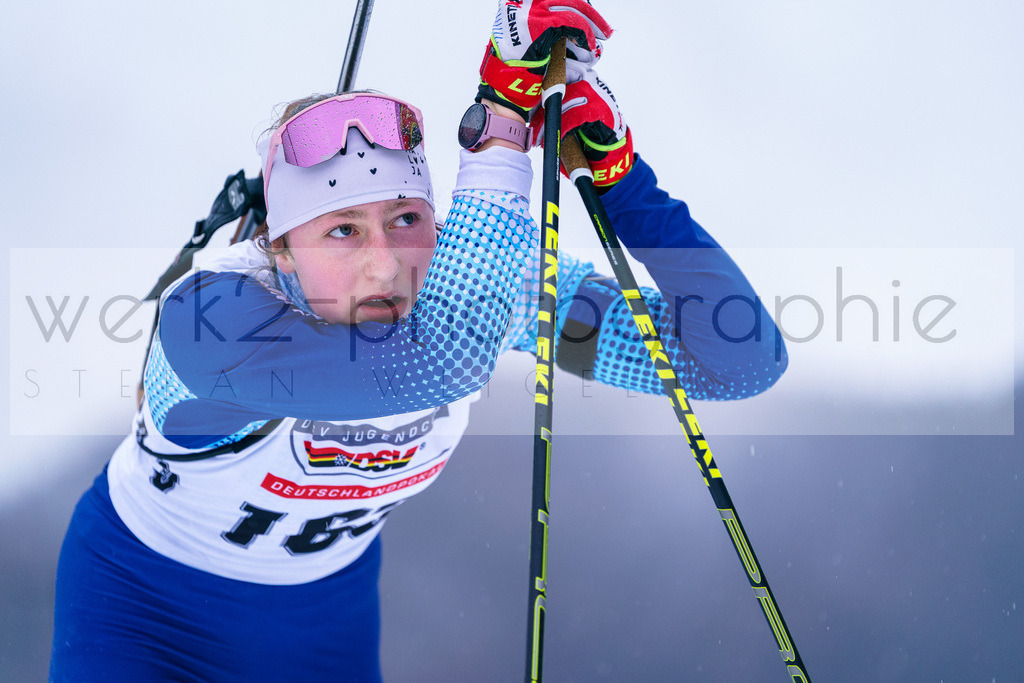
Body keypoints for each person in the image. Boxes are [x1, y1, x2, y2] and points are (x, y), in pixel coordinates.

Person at [50, 2, 787, 680]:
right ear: (280, 251)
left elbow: (739, 360)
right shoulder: (211, 318)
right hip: (143, 612)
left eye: (407, 218)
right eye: (341, 230)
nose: (385, 262)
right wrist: (499, 122)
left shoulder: (474, 281)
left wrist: (624, 181)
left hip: (323, 626)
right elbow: (442, 355)